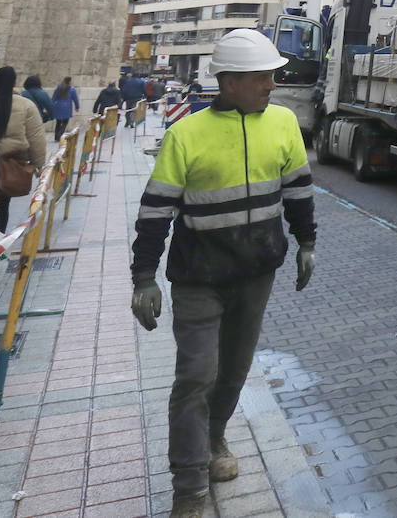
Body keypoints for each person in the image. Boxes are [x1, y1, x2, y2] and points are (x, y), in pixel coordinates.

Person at [130, 28, 316, 518]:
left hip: (256, 273)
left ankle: (214, 440)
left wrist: (307, 242)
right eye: (263, 77)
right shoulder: (186, 134)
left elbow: (297, 189)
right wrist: (144, 277)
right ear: (230, 82)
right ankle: (188, 488)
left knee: (232, 370)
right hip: (199, 277)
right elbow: (155, 213)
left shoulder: (283, 123)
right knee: (196, 376)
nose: (272, 86)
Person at [0, 67, 47, 233]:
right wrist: (39, 165)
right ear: (15, 82)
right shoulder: (26, 106)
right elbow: (36, 138)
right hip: (11, 165)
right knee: (3, 206)